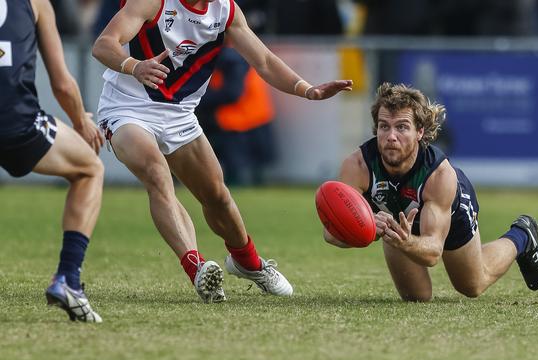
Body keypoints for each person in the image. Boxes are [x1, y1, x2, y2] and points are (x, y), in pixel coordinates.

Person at [92, 0, 352, 302]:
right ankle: (197, 267)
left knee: (216, 195)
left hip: (179, 113)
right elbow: (103, 45)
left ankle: (249, 263)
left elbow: (264, 61)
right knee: (157, 173)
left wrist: (307, 89)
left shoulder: (226, 10)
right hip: (127, 108)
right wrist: (134, 66)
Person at [323, 83, 538, 301]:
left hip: (450, 210)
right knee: (417, 297)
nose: (391, 136)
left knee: (472, 285)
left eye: (401, 127)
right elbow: (332, 234)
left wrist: (404, 241)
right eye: (384, 126)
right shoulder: (358, 166)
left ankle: (522, 235)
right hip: (399, 223)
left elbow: (433, 253)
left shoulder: (438, 175)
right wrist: (369, 225)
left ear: (420, 132)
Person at [0, 0, 105, 321]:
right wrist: (81, 121)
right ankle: (67, 280)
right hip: (15, 123)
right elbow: (61, 82)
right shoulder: (36, 3)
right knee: (90, 168)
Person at [197, 46, 277, 186]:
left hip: (240, 118)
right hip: (251, 115)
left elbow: (232, 93)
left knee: (237, 171)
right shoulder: (237, 53)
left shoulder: (230, 59)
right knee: (251, 168)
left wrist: (200, 100)